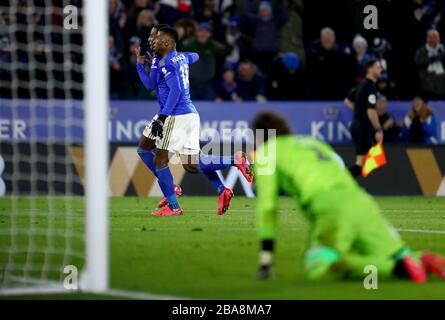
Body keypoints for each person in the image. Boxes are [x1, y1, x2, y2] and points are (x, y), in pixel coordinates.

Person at [252, 110, 445, 282]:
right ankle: (420, 259)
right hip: (359, 199)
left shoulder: (268, 152)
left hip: (328, 205)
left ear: (260, 137)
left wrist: (266, 260)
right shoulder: (313, 142)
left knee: (318, 264)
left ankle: (396, 269)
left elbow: (267, 206)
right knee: (395, 252)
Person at [136, 26, 253, 216]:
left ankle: (173, 205)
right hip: (187, 114)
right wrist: (142, 65)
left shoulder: (167, 62)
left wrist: (164, 117)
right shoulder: (169, 58)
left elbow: (176, 91)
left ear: (166, 42)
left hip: (174, 114)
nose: (151, 40)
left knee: (161, 160)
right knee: (189, 164)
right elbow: (192, 58)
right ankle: (233, 163)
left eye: (155, 37)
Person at [346, 59, 383, 178]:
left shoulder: (361, 84)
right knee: (368, 160)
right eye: (377, 67)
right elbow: (371, 110)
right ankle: (337, 181)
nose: (380, 69)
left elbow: (347, 100)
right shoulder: (370, 87)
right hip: (362, 126)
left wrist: (358, 111)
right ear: (369, 69)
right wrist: (378, 129)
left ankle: (341, 182)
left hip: (358, 124)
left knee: (365, 161)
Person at [414, 29, 445, 99]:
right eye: (431, 37)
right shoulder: (421, 51)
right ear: (427, 39)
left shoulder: (443, 49)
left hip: (442, 85)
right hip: (427, 86)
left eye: (436, 37)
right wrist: (433, 58)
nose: (434, 40)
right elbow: (418, 62)